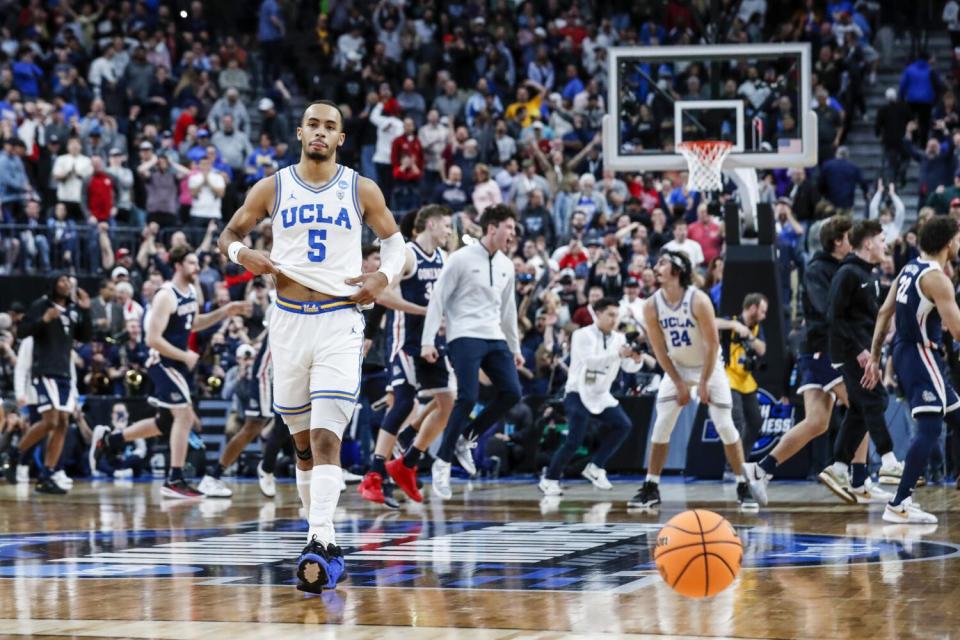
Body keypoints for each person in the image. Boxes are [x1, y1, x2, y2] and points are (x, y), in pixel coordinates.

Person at [218, 100, 404, 593]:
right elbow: (228, 233)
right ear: (300, 132)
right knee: (300, 443)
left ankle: (321, 538)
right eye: (314, 125)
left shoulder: (360, 187)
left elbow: (396, 243)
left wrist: (382, 276)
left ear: (341, 138)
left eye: (331, 127)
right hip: (288, 323)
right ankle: (321, 534)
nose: (321, 133)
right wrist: (244, 254)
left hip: (341, 321)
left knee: (326, 438)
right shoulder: (272, 186)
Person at [742, 217, 889, 506]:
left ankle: (760, 469)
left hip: (822, 352)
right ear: (838, 241)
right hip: (824, 350)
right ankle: (859, 480)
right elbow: (828, 313)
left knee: (817, 422)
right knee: (865, 404)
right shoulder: (818, 270)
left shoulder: (850, 269)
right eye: (850, 236)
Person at [91, 245, 249, 498]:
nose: (196, 268)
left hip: (174, 362)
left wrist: (225, 312)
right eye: (191, 263)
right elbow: (152, 339)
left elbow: (193, 323)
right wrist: (184, 354)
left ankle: (111, 440)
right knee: (184, 416)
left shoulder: (190, 292)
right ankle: (174, 479)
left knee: (164, 423)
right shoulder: (166, 295)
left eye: (196, 263)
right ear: (177, 265)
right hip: (161, 361)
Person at [627, 251, 754, 510]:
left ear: (677, 270)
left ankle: (743, 484)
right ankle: (651, 486)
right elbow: (659, 349)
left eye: (662, 262)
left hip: (709, 366)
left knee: (725, 426)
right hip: (678, 367)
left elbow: (712, 345)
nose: (656, 266)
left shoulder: (698, 300)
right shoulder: (651, 305)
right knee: (662, 425)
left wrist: (705, 382)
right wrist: (678, 382)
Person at [421, 204, 523, 499]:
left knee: (512, 393)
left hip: (494, 336)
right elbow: (438, 299)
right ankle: (442, 461)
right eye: (509, 228)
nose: (513, 235)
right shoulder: (460, 259)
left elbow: (509, 312)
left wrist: (515, 348)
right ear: (492, 228)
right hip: (463, 335)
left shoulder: (507, 264)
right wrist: (428, 341)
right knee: (468, 395)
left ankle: (466, 437)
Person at [864, 216, 960, 524]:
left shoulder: (909, 269)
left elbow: (883, 312)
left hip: (905, 352)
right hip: (921, 354)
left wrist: (876, 357)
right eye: (958, 239)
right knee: (930, 428)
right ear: (948, 243)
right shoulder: (937, 279)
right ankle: (899, 502)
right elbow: (957, 331)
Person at [359, 204, 456, 507]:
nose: (450, 232)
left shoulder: (444, 259)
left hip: (431, 342)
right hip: (405, 342)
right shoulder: (408, 255)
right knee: (404, 402)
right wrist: (426, 312)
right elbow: (382, 294)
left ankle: (407, 461)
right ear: (431, 225)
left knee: (449, 401)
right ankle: (374, 475)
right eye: (447, 226)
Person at [818, 220, 902, 501]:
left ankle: (839, 466)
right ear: (867, 243)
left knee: (860, 408)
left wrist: (885, 327)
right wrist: (859, 350)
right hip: (848, 352)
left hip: (865, 350)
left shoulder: (870, 274)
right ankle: (889, 462)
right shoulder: (848, 273)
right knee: (874, 400)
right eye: (881, 239)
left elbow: (866, 314)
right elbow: (834, 316)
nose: (885, 245)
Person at [538, 297, 642, 495]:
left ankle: (595, 466)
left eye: (617, 315)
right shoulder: (581, 335)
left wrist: (636, 360)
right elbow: (590, 362)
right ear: (598, 314)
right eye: (610, 315)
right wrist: (618, 355)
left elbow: (628, 366)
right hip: (578, 392)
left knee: (624, 425)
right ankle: (550, 479)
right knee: (575, 440)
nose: (614, 319)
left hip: (601, 394)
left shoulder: (619, 338)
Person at [12, 274, 91, 494]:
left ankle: (47, 475)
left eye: (70, 282)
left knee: (63, 423)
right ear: (54, 285)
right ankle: (15, 453)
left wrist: (86, 310)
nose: (67, 284)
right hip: (44, 371)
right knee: (51, 421)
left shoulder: (74, 311)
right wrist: (44, 319)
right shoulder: (41, 305)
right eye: (63, 281)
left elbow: (86, 337)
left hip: (64, 373)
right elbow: (22, 331)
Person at [194, 335, 277, 498]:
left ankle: (314, 475)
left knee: (293, 426)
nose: (247, 360)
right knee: (252, 427)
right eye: (244, 358)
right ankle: (214, 475)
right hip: (260, 386)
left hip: (283, 376)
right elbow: (226, 394)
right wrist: (242, 376)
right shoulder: (237, 371)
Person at [717, 293, 769, 464]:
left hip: (746, 380)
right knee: (736, 422)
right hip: (728, 377)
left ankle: (741, 461)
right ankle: (732, 466)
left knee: (756, 422)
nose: (764, 315)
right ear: (752, 308)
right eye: (762, 311)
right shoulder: (731, 321)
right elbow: (711, 322)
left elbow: (762, 350)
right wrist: (733, 325)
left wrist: (750, 337)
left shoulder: (756, 328)